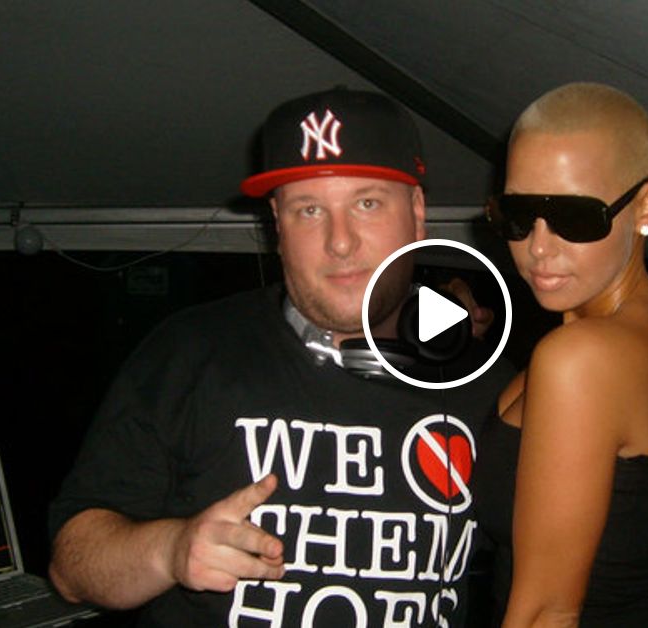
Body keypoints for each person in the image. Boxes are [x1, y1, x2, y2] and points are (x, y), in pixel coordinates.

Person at [46, 86, 515, 627]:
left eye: (366, 203)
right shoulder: (190, 352)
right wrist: (170, 550)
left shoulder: (489, 387)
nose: (340, 241)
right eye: (309, 210)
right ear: (276, 223)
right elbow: (72, 567)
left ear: (416, 212)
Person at [473, 82, 648, 627]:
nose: (538, 247)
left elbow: (546, 614)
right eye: (518, 215)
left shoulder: (581, 357)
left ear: (646, 206)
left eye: (574, 217)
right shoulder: (644, 321)